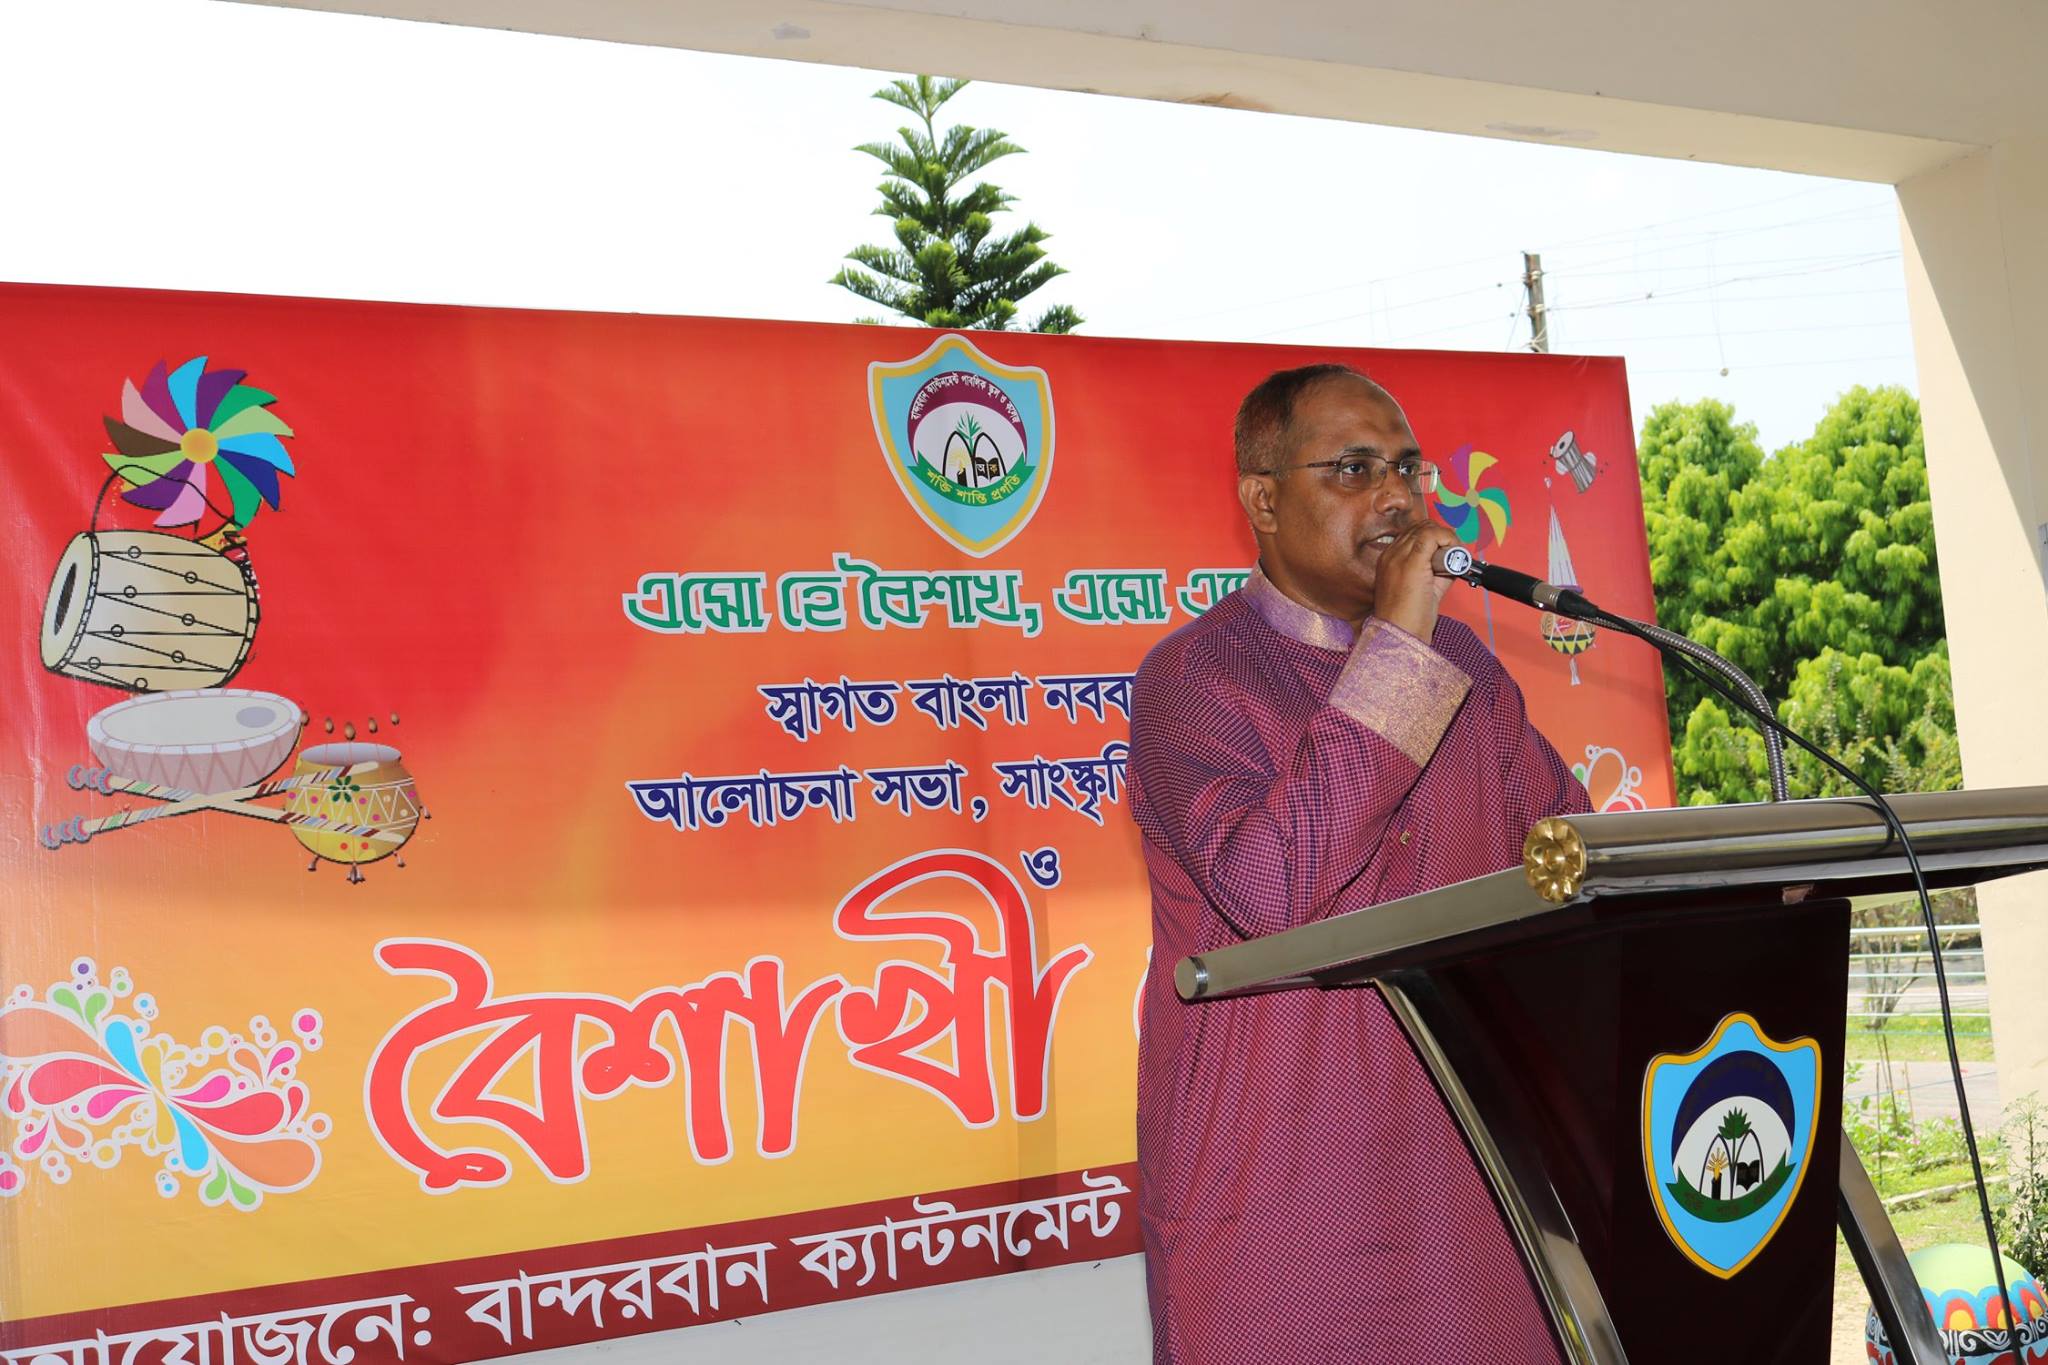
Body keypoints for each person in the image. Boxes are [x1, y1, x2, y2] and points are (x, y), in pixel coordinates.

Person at [1128, 364, 1591, 1362]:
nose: (1394, 496)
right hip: (1278, 1209)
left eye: (1406, 470)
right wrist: (1399, 646)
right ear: (1262, 500)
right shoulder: (1192, 680)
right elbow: (1270, 891)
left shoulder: (1469, 673)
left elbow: (1572, 858)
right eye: (1352, 469)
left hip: (1470, 1188)